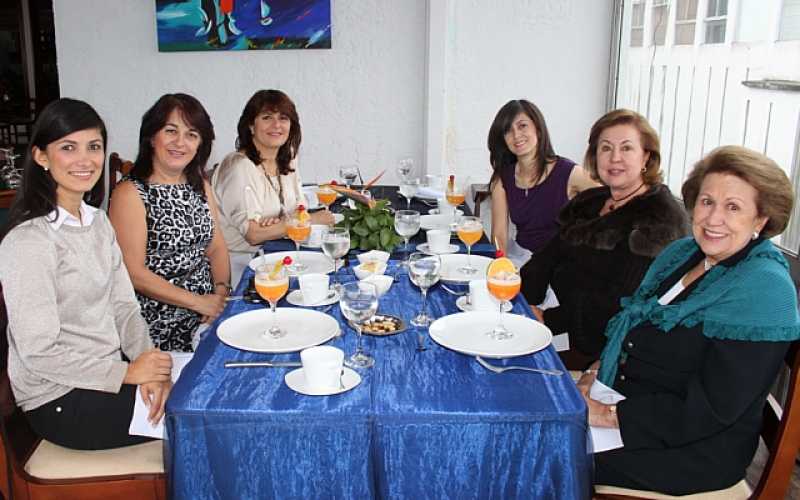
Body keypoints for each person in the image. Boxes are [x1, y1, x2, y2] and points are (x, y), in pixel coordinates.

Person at [580, 145, 800, 496]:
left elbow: (711, 409)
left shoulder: (764, 289)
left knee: (538, 452)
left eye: (733, 207)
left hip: (689, 450)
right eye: (707, 202)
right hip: (628, 405)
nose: (713, 218)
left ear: (761, 220)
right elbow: (630, 329)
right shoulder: (682, 254)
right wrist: (591, 376)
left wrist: (607, 415)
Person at [0, 98, 172, 450]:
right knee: (201, 416)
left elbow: (125, 308)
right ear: (41, 156)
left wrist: (148, 365)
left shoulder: (97, 222)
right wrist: (127, 373)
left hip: (106, 376)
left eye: (94, 146)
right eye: (68, 147)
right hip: (60, 398)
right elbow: (39, 352)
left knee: (201, 390)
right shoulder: (29, 241)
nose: (85, 159)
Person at [521, 109, 688, 369]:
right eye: (606, 148)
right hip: (561, 323)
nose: (614, 158)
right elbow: (547, 257)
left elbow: (619, 303)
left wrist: (547, 320)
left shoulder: (659, 218)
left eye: (626, 148)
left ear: (646, 156)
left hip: (605, 350)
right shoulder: (592, 200)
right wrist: (523, 302)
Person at [110, 93, 230, 352]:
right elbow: (133, 273)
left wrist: (221, 292)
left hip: (206, 314)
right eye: (171, 131)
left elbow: (217, 247)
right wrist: (198, 302)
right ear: (152, 136)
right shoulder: (130, 193)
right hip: (157, 324)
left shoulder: (200, 186)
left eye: (191, 134)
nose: (180, 142)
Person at [211, 89, 333, 284]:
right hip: (241, 269)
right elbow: (253, 235)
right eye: (267, 117)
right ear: (251, 125)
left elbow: (298, 210)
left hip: (278, 258)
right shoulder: (239, 167)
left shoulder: (288, 158)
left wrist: (280, 223)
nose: (276, 125)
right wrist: (309, 220)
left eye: (283, 118)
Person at [487, 99, 597, 257]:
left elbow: (612, 200)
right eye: (508, 131)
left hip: (563, 263)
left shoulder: (569, 173)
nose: (516, 135)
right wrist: (501, 268)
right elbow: (499, 236)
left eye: (522, 126)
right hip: (522, 260)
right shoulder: (502, 179)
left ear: (538, 129)